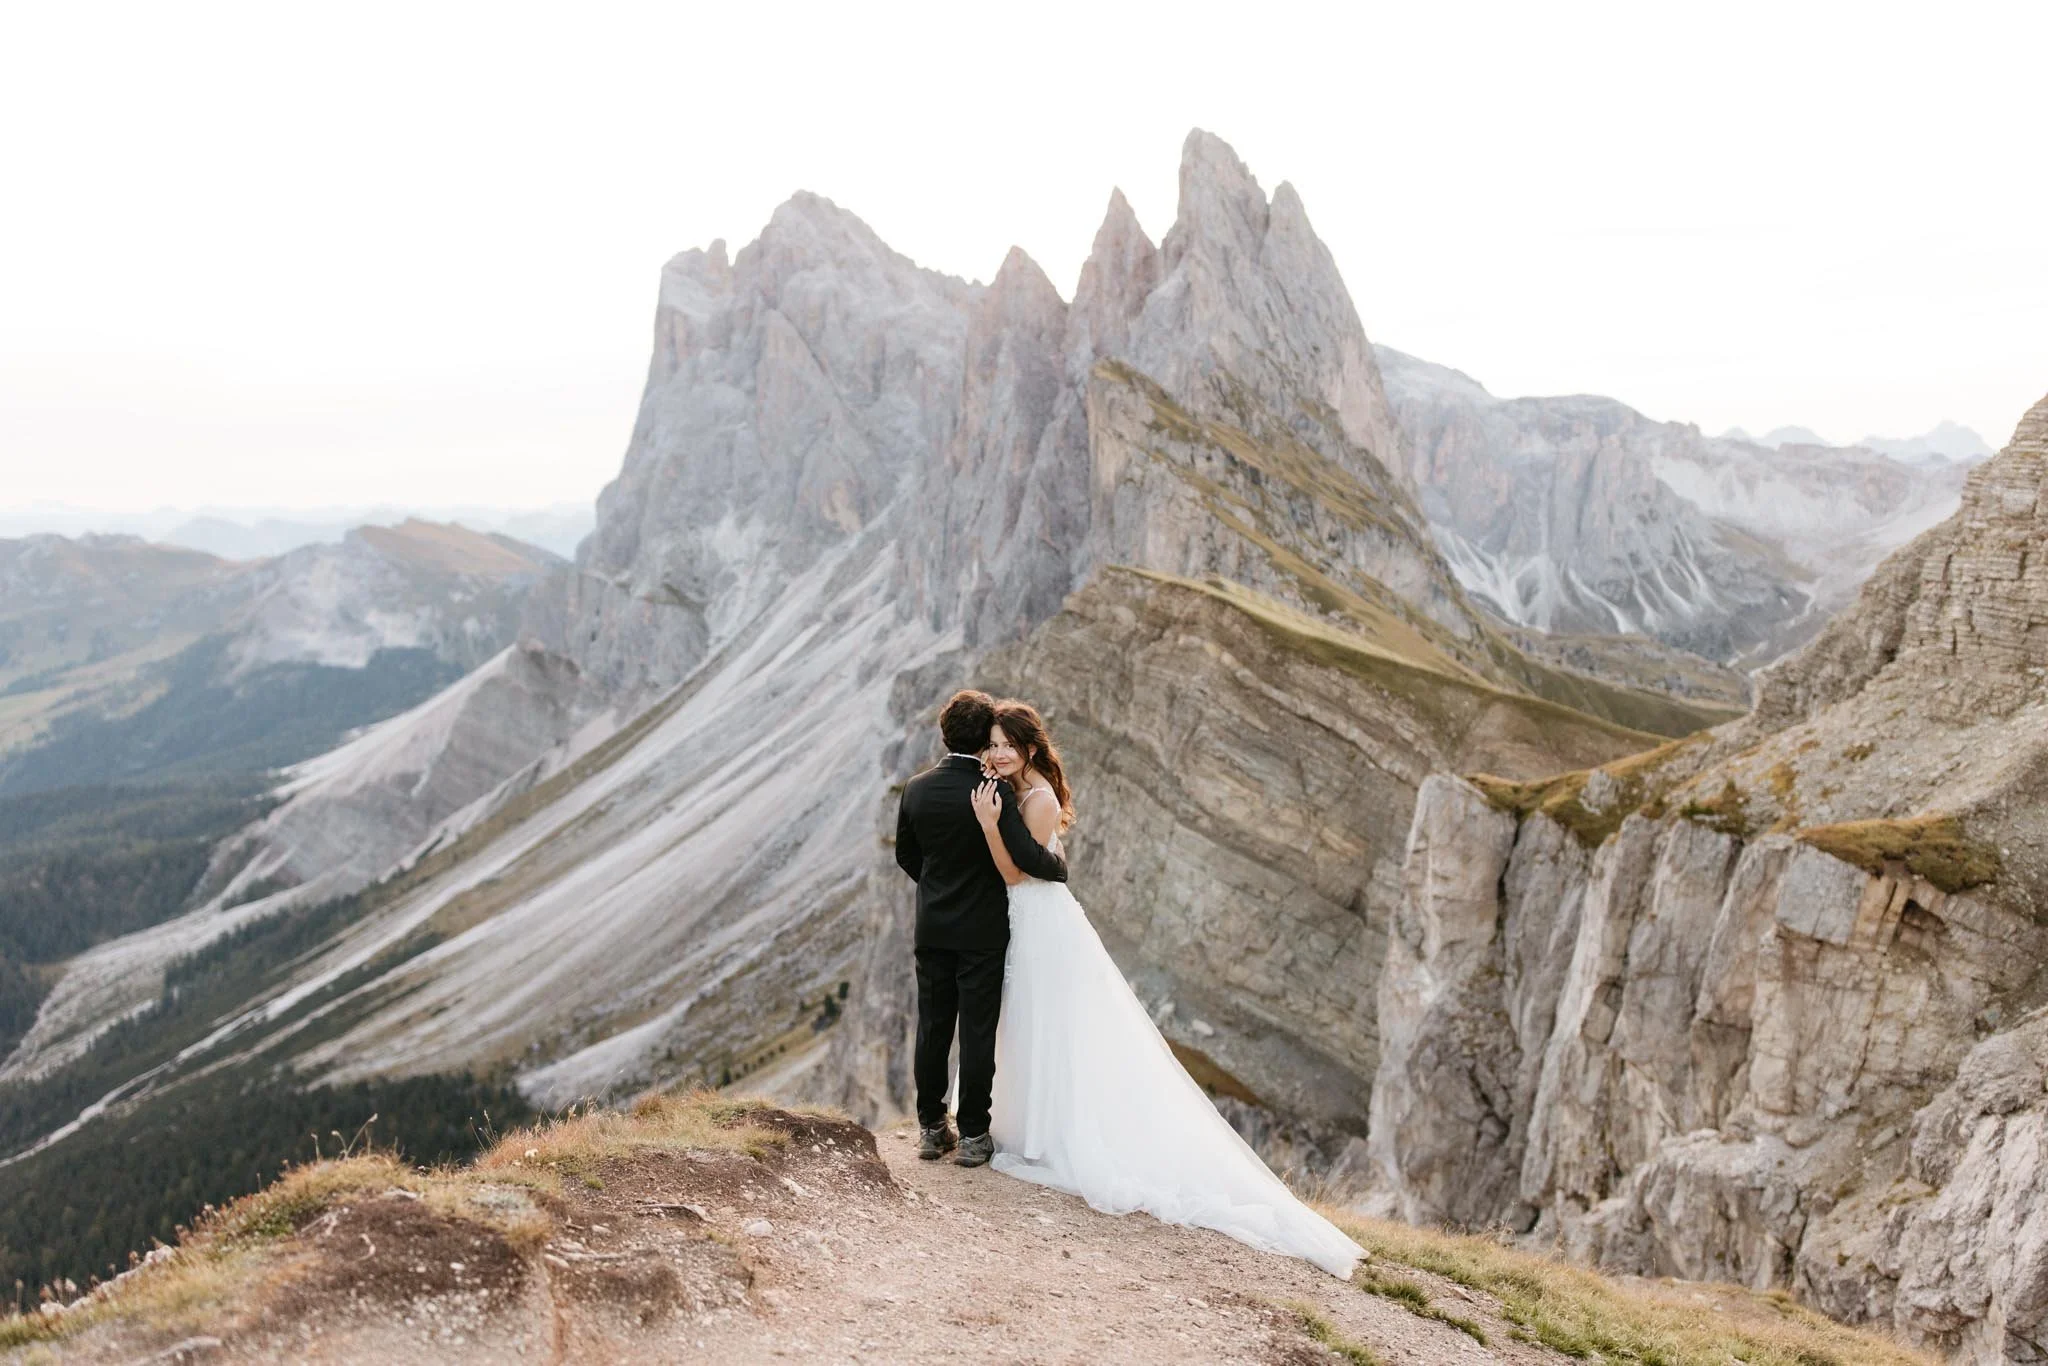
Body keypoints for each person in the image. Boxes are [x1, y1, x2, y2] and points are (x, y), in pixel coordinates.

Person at [967, 698, 1363, 1279]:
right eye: (993, 744)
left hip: (1041, 923)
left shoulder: (1041, 799)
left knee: (1043, 1019)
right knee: (1026, 1020)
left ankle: (1055, 1136)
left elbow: (1016, 873)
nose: (998, 753)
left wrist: (987, 824)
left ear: (1029, 748)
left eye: (1008, 744)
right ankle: (1027, 1127)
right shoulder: (1013, 789)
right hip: (1026, 919)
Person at [893, 689, 1068, 1168]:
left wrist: (937, 888)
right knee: (976, 1033)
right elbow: (1025, 858)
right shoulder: (994, 791)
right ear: (984, 739)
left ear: (944, 734)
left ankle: (932, 1129)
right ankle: (973, 1134)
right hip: (983, 930)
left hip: (933, 925)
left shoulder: (916, 788)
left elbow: (906, 855)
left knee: (932, 1027)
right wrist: (1057, 866)